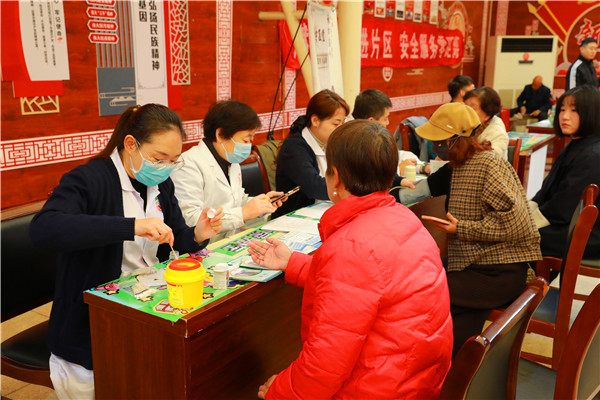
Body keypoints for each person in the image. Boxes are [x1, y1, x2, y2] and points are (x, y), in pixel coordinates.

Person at [29, 104, 223, 399]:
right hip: (94, 323)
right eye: (159, 158)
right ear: (131, 144)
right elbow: (44, 229)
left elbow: (175, 239)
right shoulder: (88, 179)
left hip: (147, 305)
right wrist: (131, 226)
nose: (166, 167)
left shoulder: (160, 182)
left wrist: (198, 233)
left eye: (174, 161)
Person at [249, 120, 453, 399]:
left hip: (380, 389)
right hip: (419, 377)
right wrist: (293, 262)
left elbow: (323, 367)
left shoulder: (351, 246)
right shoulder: (402, 217)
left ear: (335, 178)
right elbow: (361, 285)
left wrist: (279, 390)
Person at [414, 102, 542, 357]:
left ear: (456, 139)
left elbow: (516, 223)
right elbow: (428, 187)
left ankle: (453, 362)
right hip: (474, 262)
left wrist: (463, 229)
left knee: (427, 290)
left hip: (500, 271)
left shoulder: (488, 165)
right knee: (425, 271)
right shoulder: (457, 165)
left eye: (439, 141)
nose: (435, 146)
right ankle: (460, 362)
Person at [171, 100, 283, 242]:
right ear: (220, 134)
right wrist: (243, 213)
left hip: (230, 240)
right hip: (202, 246)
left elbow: (236, 200)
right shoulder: (187, 164)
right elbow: (191, 219)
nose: (249, 146)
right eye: (245, 140)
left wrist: (261, 204)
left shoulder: (230, 159)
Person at [530, 85, 600, 260]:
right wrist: (527, 210)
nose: (565, 116)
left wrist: (524, 224)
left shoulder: (592, 154)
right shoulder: (576, 144)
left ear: (592, 113)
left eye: (574, 110)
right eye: (562, 109)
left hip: (587, 233)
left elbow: (564, 206)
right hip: (567, 222)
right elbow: (546, 191)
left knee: (516, 239)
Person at [273, 89, 348, 218]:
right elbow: (314, 186)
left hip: (324, 209)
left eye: (343, 123)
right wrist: (348, 189)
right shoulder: (294, 148)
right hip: (294, 217)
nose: (341, 129)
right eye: (336, 124)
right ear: (315, 121)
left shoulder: (331, 142)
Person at [352, 88, 431, 175]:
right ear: (371, 121)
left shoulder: (374, 137)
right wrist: (398, 171)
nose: (388, 122)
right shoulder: (354, 144)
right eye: (385, 118)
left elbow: (395, 156)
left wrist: (422, 166)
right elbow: (370, 175)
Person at [463, 86, 509, 159]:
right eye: (465, 106)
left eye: (473, 108)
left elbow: (489, 161)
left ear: (487, 114)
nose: (465, 111)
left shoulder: (498, 134)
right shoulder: (463, 125)